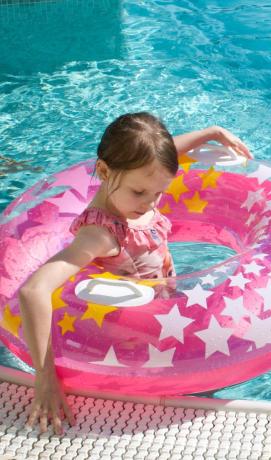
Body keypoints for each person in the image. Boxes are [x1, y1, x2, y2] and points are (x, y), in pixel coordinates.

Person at [18, 112, 252, 434]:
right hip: (141, 336)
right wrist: (45, 378)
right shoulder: (100, 235)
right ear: (103, 170)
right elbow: (33, 291)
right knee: (199, 398)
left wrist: (210, 132)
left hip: (167, 306)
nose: (149, 202)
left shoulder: (137, 189)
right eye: (140, 193)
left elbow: (160, 154)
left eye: (158, 193)